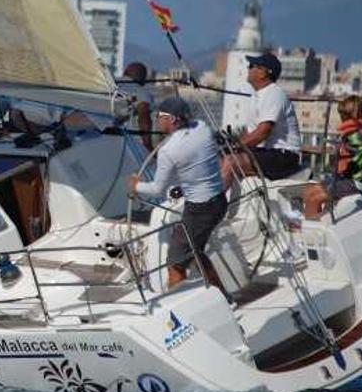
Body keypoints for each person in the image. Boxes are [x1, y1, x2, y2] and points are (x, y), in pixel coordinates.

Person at [128, 97, 227, 292]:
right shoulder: (203, 128)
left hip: (199, 209)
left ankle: (180, 316)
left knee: (175, 264)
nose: (157, 119)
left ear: (173, 119)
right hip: (219, 201)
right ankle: (224, 298)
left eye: (160, 116)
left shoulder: (168, 150)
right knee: (195, 252)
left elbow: (156, 189)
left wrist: (136, 186)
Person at [221, 52, 302, 189]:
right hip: (268, 152)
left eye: (252, 66)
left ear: (263, 73)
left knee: (231, 162)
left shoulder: (274, 94)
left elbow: (262, 132)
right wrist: (228, 146)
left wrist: (235, 147)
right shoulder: (256, 97)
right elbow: (250, 134)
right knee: (219, 158)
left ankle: (211, 207)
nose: (248, 68)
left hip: (284, 155)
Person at [303, 95, 362, 220]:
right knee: (308, 192)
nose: (341, 118)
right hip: (348, 179)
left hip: (356, 182)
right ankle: (317, 221)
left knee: (313, 197)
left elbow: (352, 162)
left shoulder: (358, 135)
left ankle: (309, 231)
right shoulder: (360, 131)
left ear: (350, 115)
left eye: (342, 115)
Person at [121, 62, 155, 151]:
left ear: (124, 72)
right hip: (124, 142)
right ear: (143, 79)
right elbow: (144, 118)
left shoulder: (109, 84)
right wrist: (148, 146)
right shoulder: (141, 92)